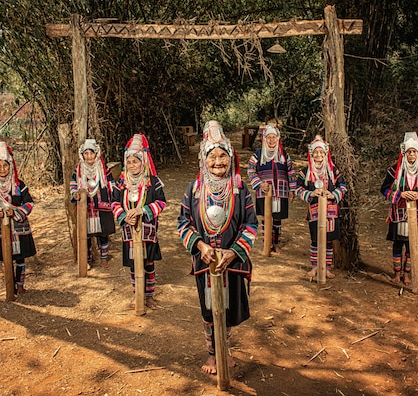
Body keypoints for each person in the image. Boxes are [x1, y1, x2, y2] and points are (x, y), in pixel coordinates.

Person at [178, 120, 257, 375]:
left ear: (231, 157)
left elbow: (251, 225)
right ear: (204, 159)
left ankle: (225, 350)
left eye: (223, 155)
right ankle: (212, 355)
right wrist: (200, 246)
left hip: (231, 263)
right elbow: (183, 223)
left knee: (228, 308)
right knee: (209, 308)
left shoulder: (240, 190)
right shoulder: (194, 190)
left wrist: (234, 252)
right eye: (212, 156)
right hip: (205, 264)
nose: (218, 162)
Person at [111, 134, 166, 310]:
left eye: (136, 162)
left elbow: (161, 202)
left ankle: (149, 296)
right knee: (134, 264)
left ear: (143, 162)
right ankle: (137, 295)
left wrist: (142, 210)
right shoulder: (121, 182)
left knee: (148, 262)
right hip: (129, 230)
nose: (132, 165)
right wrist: (123, 216)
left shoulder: (153, 181)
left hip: (148, 230)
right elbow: (114, 202)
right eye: (129, 162)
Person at [0, 141, 36, 295]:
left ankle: (20, 284)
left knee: (20, 257)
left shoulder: (18, 185)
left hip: (19, 228)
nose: (2, 169)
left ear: (11, 166)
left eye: (5, 166)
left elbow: (29, 202)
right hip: (0, 228)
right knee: (6, 257)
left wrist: (16, 213)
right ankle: (10, 286)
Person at [380, 132, 418, 285]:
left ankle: (407, 274)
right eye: (409, 152)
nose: (411, 155)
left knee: (412, 246)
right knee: (398, 244)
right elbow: (384, 190)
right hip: (399, 214)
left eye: (414, 152)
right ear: (404, 153)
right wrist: (400, 194)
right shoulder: (395, 171)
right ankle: (397, 274)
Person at [296, 136, 347, 280]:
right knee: (315, 239)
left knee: (329, 240)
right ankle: (315, 266)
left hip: (331, 212)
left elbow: (343, 186)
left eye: (321, 153)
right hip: (315, 211)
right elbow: (297, 187)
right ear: (311, 154)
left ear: (326, 154)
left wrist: (333, 194)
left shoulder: (332, 170)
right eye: (316, 153)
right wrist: (311, 193)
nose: (319, 156)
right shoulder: (306, 171)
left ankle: (327, 267)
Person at [246, 124, 297, 253]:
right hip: (264, 191)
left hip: (280, 191)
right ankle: (266, 242)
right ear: (264, 139)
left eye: (273, 137)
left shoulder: (284, 155)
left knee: (277, 217)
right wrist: (258, 183)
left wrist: (292, 189)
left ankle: (276, 243)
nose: (271, 140)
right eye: (269, 137)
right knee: (264, 217)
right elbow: (250, 169)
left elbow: (291, 172)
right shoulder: (258, 154)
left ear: (278, 138)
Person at [70, 139, 116, 269]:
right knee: (87, 235)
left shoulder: (103, 168)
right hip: (86, 207)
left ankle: (104, 258)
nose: (89, 157)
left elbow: (111, 183)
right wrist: (75, 194)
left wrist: (113, 199)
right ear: (82, 155)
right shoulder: (78, 170)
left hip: (102, 206)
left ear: (96, 154)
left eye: (91, 153)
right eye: (86, 154)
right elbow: (73, 184)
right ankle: (87, 260)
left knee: (103, 234)